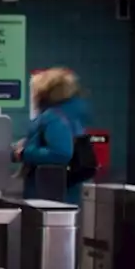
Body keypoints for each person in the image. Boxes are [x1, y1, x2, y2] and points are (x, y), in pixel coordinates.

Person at [15, 67, 92, 204]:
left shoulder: (53, 117)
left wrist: (25, 153)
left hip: (48, 193)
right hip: (64, 191)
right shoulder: (70, 115)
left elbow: (60, 153)